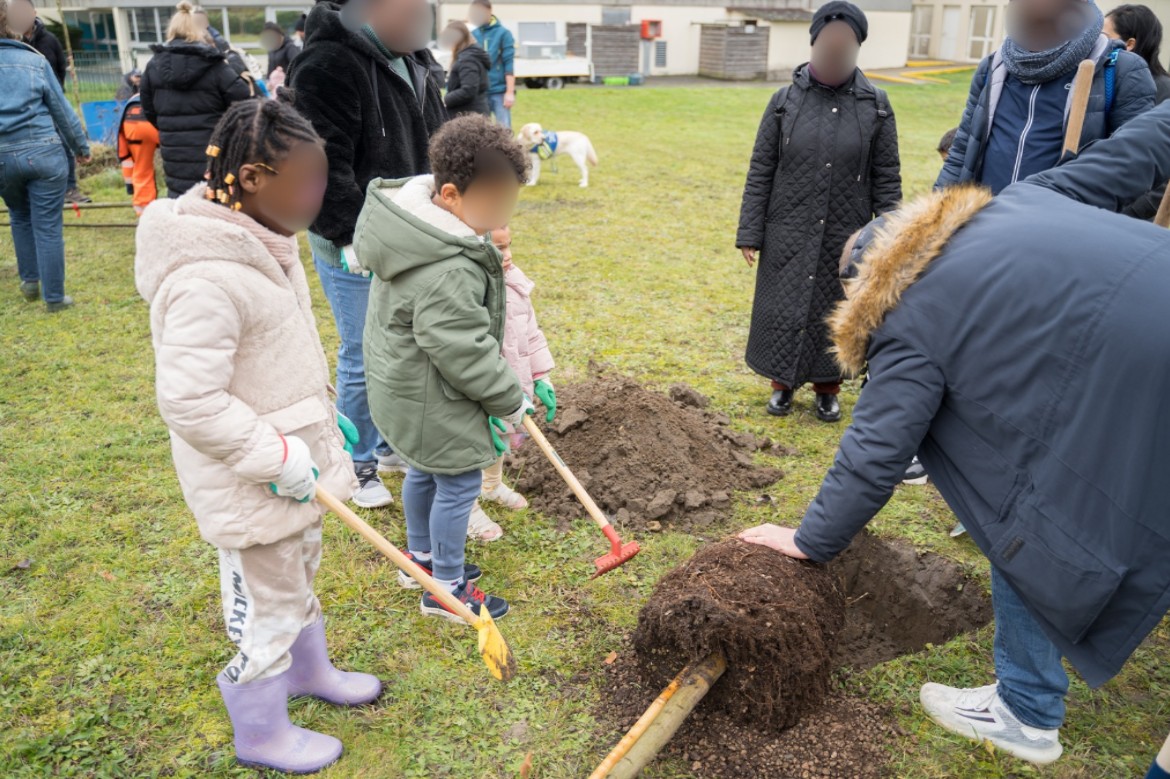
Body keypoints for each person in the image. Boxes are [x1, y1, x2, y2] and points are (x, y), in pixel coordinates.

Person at [739, 102, 1170, 767]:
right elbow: (1130, 154)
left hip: (1137, 387)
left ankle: (1025, 711)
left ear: (866, 286)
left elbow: (876, 452)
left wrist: (807, 539)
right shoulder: (1014, 202)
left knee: (1019, 510)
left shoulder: (906, 311)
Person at [135, 99, 380, 775]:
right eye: (305, 183)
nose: (319, 196)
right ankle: (262, 728)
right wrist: (274, 452)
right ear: (249, 179)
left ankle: (310, 672)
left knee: (298, 577)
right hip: (252, 484)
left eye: (323, 179)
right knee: (262, 606)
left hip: (299, 468)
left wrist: (324, 420)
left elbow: (277, 361)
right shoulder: (203, 278)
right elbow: (189, 399)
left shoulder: (269, 242)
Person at [355, 114, 539, 621]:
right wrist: (508, 397)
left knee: (423, 472)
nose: (502, 216)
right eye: (495, 202)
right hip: (435, 397)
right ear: (453, 194)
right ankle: (446, 588)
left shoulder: (413, 231)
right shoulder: (449, 265)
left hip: (405, 387)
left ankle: (420, 559)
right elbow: (463, 348)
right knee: (457, 484)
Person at [287, 0, 447, 508]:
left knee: (406, 346)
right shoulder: (326, 64)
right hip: (351, 239)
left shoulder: (416, 57)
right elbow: (319, 163)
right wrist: (348, 236)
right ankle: (356, 464)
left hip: (412, 229)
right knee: (363, 351)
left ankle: (389, 445)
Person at [736, 0, 902, 423]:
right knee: (785, 306)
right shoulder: (782, 102)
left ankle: (828, 389)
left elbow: (887, 177)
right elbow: (761, 168)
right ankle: (782, 385)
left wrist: (891, 241)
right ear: (813, 44)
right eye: (828, 43)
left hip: (845, 234)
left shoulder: (877, 106)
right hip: (787, 228)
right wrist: (750, 231)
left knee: (835, 309)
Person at [937, 0, 1154, 195]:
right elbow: (963, 149)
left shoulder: (1121, 70)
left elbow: (1136, 170)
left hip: (1061, 232)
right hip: (985, 223)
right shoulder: (993, 67)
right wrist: (935, 215)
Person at [466, 225, 557, 542]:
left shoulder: (514, 282)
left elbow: (530, 333)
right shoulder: (471, 290)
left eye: (510, 246)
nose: (509, 256)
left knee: (500, 440)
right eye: (500, 249)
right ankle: (466, 508)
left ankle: (491, 486)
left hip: (510, 382)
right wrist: (485, 397)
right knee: (471, 447)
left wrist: (540, 374)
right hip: (479, 389)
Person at [0, 0, 90, 312]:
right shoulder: (35, 61)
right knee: (48, 225)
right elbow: (63, 112)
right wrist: (81, 148)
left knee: (19, 215)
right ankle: (54, 298)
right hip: (44, 153)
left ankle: (30, 280)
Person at [140, 1, 253, 197]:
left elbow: (148, 108)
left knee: (180, 203)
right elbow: (244, 100)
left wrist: (170, 127)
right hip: (212, 151)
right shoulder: (215, 65)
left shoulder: (153, 66)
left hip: (174, 151)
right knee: (213, 205)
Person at [8, 0, 90, 205]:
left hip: (52, 101)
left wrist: (54, 93)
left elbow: (60, 69)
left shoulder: (49, 40)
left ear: (34, 13)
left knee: (63, 143)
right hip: (24, 112)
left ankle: (70, 188)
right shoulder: (11, 44)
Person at [1105, 4, 1170, 220]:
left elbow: (1163, 179)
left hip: (1128, 221)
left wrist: (1126, 213)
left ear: (1129, 44)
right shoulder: (1104, 84)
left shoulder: (1165, 93)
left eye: (1104, 37)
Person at [1106, 3, 1170, 100]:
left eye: (1105, 37)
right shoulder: (1106, 78)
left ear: (1130, 44)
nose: (1098, 42)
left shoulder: (1163, 91)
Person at [470, 0, 515, 129]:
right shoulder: (473, 35)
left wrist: (510, 92)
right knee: (481, 132)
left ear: (489, 11)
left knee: (505, 129)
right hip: (480, 93)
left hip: (499, 91)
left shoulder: (503, 33)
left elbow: (509, 63)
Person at [117, 93, 159, 215]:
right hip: (156, 120)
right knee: (180, 162)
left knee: (142, 168)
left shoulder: (137, 95)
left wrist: (130, 186)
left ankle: (144, 212)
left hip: (131, 122)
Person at [441, 20, 490, 117]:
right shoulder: (469, 55)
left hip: (468, 116)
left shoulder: (468, 59)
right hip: (470, 114)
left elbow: (468, 90)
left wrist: (445, 100)